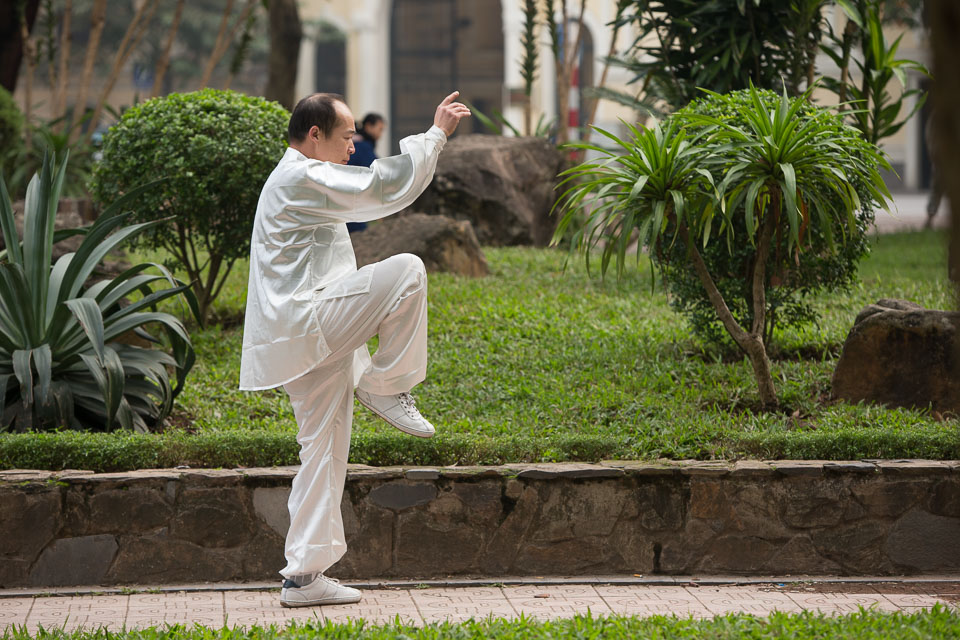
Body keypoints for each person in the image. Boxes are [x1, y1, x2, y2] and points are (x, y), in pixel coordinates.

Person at [239, 91, 471, 608]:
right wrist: (434, 136)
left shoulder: (299, 178)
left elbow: (365, 191)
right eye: (347, 137)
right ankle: (387, 385)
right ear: (315, 135)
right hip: (310, 321)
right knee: (408, 269)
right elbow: (379, 187)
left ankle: (304, 577)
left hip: (303, 335)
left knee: (322, 450)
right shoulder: (301, 175)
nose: (353, 147)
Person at [345, 113, 386, 233]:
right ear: (368, 126)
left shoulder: (358, 143)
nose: (380, 135)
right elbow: (376, 171)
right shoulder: (363, 147)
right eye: (380, 129)